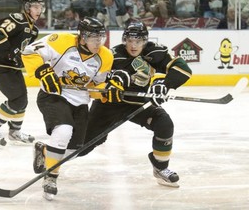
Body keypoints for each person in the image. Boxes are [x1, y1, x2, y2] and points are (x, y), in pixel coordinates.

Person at [79, 21, 192, 187]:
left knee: (165, 124)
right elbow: (97, 81)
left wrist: (163, 85)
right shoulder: (113, 55)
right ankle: (49, 155)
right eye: (130, 41)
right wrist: (109, 84)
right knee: (83, 146)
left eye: (138, 41)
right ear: (124, 40)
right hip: (109, 106)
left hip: (139, 104)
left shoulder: (153, 52)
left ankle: (160, 168)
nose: (133, 45)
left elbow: (182, 68)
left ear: (145, 41)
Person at [22, 17, 121, 200]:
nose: (98, 42)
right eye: (93, 37)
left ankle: (45, 151)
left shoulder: (105, 56)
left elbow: (95, 87)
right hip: (54, 96)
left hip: (80, 103)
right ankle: (50, 178)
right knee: (63, 131)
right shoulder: (60, 41)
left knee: (74, 151)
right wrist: (43, 71)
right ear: (82, 36)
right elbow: (29, 52)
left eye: (100, 37)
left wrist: (107, 92)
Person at [0, 0, 45, 148]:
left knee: (22, 100)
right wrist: (9, 54)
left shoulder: (34, 30)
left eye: (40, 7)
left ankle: (15, 131)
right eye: (35, 6)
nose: (39, 10)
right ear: (26, 8)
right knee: (16, 99)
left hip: (11, 66)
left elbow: (22, 51)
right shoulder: (17, 19)